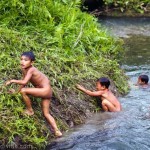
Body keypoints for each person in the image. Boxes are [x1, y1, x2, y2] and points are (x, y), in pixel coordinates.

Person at [5, 51, 62, 137]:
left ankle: (30, 110)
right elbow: (24, 83)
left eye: (26, 60)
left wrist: (12, 80)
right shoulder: (25, 69)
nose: (22, 62)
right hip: (47, 92)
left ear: (32, 62)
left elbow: (24, 82)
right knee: (46, 113)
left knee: (23, 91)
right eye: (21, 59)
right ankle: (57, 131)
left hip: (44, 90)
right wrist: (16, 92)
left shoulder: (31, 69)